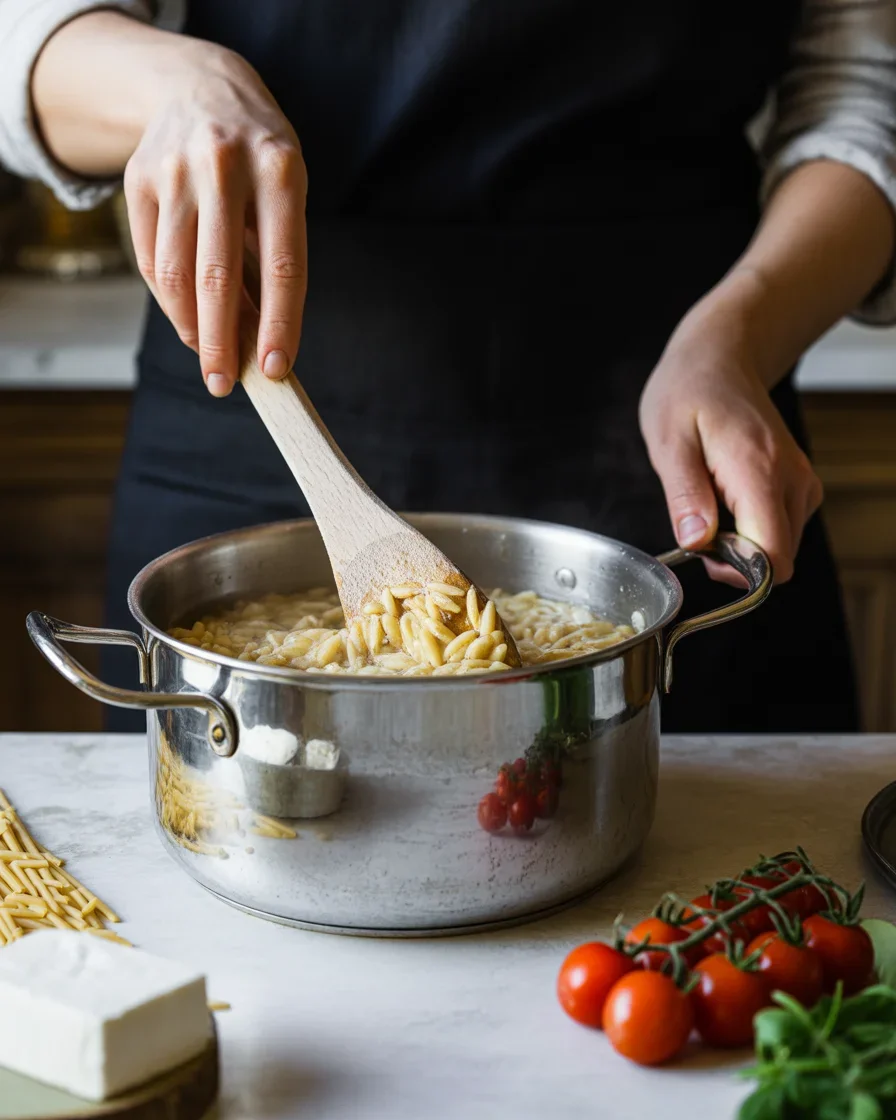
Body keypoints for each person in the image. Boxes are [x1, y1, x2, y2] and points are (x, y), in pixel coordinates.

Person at [2, 1, 894, 733]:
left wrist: (738, 339)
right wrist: (175, 86)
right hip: (250, 399)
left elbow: (864, 91)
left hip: (682, 419)